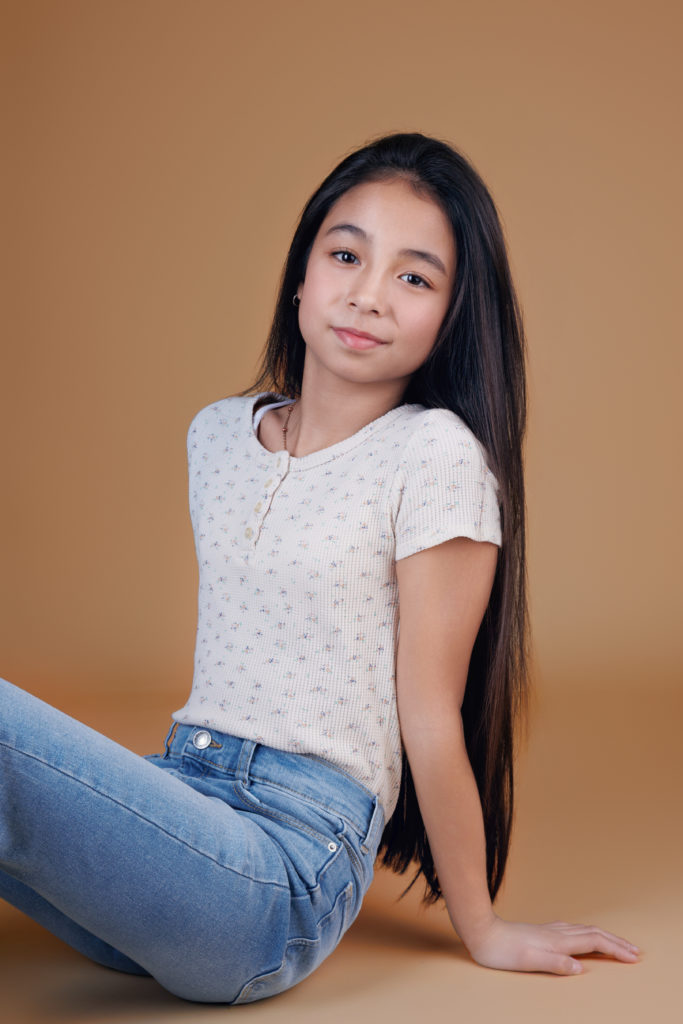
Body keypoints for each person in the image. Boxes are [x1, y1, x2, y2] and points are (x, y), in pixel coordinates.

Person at [0, 131, 640, 1004]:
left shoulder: (433, 456)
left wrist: (481, 928)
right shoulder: (217, 434)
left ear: (452, 316)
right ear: (302, 270)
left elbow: (429, 713)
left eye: (414, 278)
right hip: (178, 808)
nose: (369, 296)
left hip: (276, 878)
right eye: (346, 254)